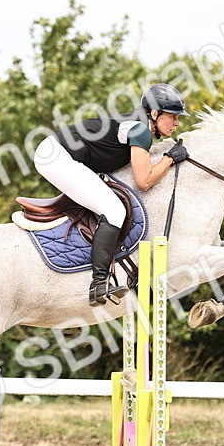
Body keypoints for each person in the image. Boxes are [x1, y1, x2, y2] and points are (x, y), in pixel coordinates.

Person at [33, 83, 190, 305]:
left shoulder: (137, 124)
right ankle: (98, 284)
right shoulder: (140, 130)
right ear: (154, 113)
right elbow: (143, 181)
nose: (177, 122)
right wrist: (170, 158)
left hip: (58, 153)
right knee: (114, 210)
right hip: (57, 156)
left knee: (108, 203)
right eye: (173, 116)